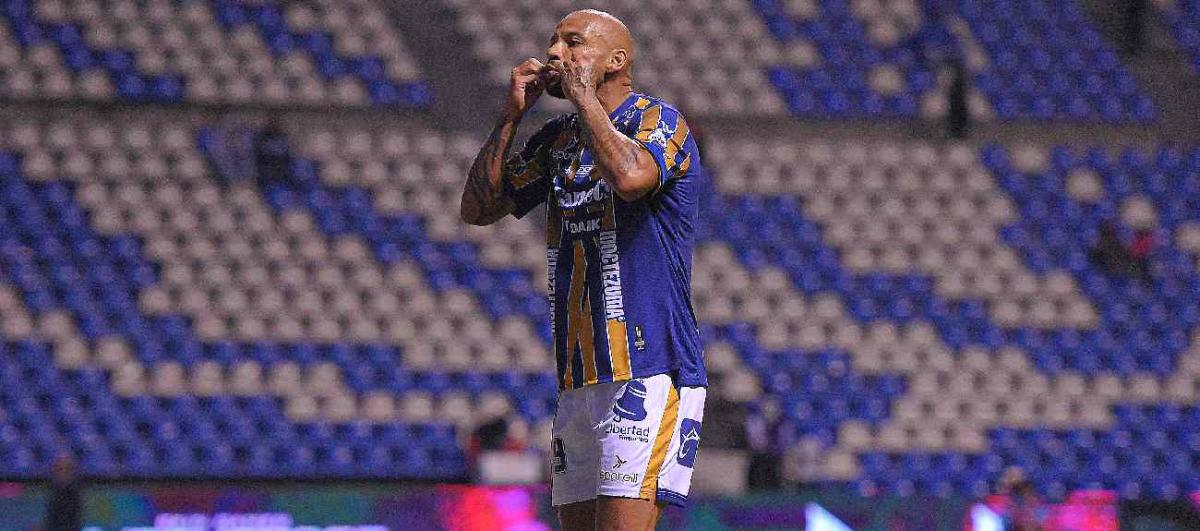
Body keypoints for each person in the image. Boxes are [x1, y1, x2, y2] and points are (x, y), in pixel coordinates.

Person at [460, 9, 707, 530]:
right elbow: (479, 209)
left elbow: (630, 178)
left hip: (646, 369)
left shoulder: (658, 121)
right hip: (578, 376)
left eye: (573, 43)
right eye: (553, 42)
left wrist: (582, 98)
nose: (555, 53)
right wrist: (510, 117)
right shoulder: (558, 139)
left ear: (616, 60)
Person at [44, 454, 82, 531]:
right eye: (60, 469)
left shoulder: (76, 494)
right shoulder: (50, 493)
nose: (64, 473)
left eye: (67, 469)